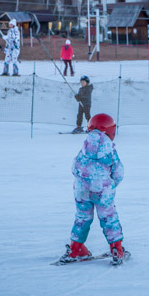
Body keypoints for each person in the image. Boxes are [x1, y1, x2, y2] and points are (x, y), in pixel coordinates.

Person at [58, 113, 127, 265]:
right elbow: (118, 173)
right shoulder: (110, 150)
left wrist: (83, 181)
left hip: (82, 191)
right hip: (102, 192)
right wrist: (109, 185)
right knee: (109, 218)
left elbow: (75, 168)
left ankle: (76, 249)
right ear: (111, 131)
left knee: (82, 217)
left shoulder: (84, 148)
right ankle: (117, 249)